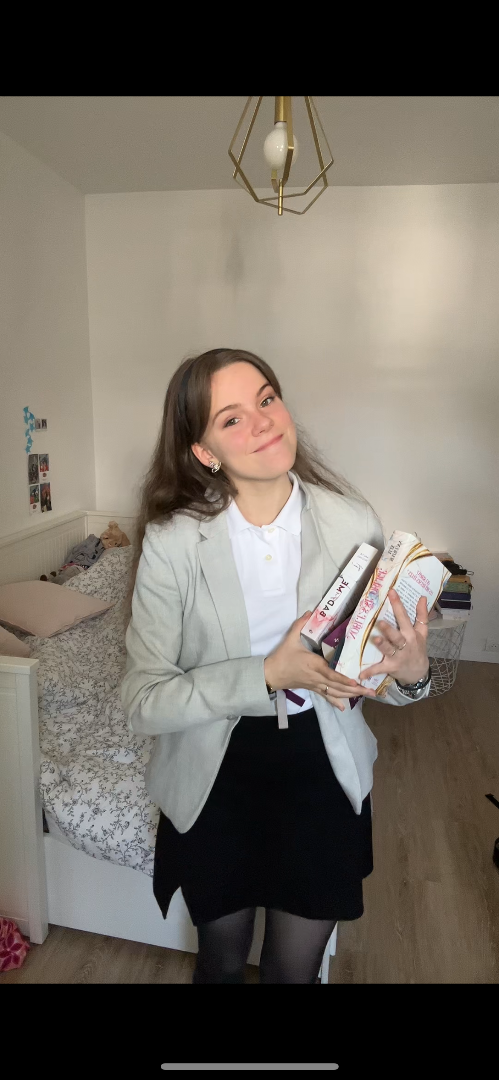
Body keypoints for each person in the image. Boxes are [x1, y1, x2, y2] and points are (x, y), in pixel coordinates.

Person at [121, 348, 431, 984]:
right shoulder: (174, 542)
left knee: (294, 971)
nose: (262, 421)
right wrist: (265, 674)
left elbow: (369, 672)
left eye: (266, 399)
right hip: (214, 773)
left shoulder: (352, 522)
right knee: (221, 962)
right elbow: (142, 701)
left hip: (323, 768)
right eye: (231, 418)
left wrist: (410, 674)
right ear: (204, 451)